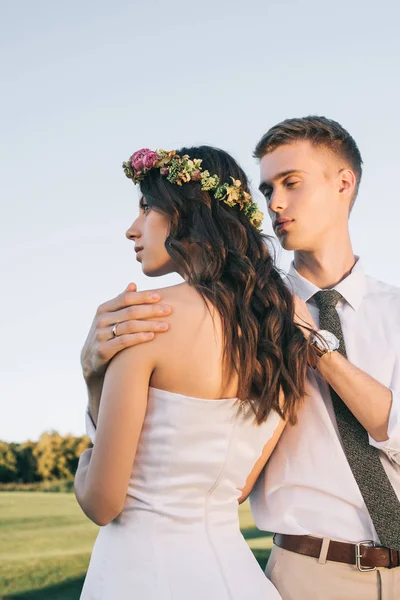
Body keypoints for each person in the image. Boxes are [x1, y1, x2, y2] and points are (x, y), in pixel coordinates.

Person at [75, 145, 311, 600]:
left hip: (139, 578)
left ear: (186, 214)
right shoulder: (283, 331)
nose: (132, 229)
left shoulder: (146, 318)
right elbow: (239, 489)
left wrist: (85, 454)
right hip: (238, 579)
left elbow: (103, 503)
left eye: (146, 208)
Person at [250, 116, 400, 599]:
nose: (274, 202)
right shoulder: (249, 315)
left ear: (343, 182)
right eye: (267, 188)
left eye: (291, 183)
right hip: (308, 575)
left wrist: (315, 345)